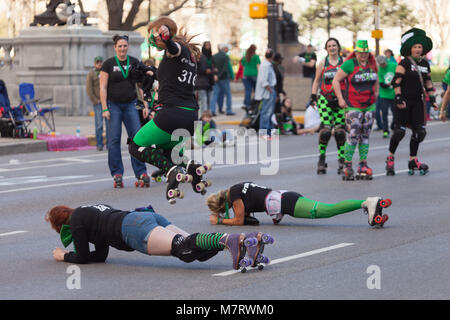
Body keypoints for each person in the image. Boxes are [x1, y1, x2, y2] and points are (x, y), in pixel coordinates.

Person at [127, 16, 212, 204]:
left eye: (152, 35)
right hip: (189, 117)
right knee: (169, 152)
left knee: (135, 145)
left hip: (171, 115)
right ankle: (193, 168)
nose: (151, 40)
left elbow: (174, 48)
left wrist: (165, 37)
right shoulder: (190, 59)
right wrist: (149, 74)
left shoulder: (177, 50)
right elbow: (170, 81)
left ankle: (171, 171)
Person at [45, 203, 272, 270]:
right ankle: (247, 241)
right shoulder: (88, 210)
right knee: (194, 249)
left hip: (132, 231)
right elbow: (102, 254)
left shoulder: (75, 223)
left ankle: (226, 240)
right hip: (142, 217)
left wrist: (64, 256)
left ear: (60, 225)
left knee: (184, 249)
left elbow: (83, 257)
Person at [207, 182, 391, 227]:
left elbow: (238, 220)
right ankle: (374, 211)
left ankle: (367, 202)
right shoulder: (239, 187)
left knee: (328, 210)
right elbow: (261, 197)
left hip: (287, 202)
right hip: (286, 198)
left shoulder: (235, 194)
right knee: (327, 210)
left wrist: (221, 221)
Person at [385, 28, 438, 176]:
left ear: (423, 49)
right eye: (415, 47)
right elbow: (396, 81)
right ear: (410, 49)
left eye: (420, 47)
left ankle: (413, 160)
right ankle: (390, 157)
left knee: (419, 132)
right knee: (399, 132)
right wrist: (398, 97)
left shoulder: (425, 64)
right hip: (404, 101)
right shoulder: (405, 63)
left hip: (418, 102)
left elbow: (428, 82)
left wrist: (432, 99)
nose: (417, 49)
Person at [100, 35, 149, 188]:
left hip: (131, 104)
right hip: (113, 106)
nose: (122, 49)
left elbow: (141, 86)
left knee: (137, 138)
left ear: (128, 47)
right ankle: (117, 173)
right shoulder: (108, 64)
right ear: (115, 47)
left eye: (125, 46)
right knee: (114, 140)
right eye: (120, 46)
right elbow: (102, 87)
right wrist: (104, 108)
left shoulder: (134, 62)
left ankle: (141, 172)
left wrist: (146, 105)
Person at [332, 40, 378, 181]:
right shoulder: (349, 64)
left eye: (365, 52)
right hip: (353, 105)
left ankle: (363, 165)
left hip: (370, 105)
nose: (363, 55)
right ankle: (347, 165)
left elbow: (376, 81)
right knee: (353, 135)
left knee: (365, 135)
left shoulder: (372, 64)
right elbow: (335, 81)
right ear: (356, 52)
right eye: (360, 52)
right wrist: (340, 99)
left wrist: (376, 94)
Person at [310, 38, 346, 175]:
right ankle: (321, 158)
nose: (332, 48)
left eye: (334, 45)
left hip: (341, 99)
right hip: (325, 99)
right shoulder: (322, 63)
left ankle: (342, 160)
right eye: (329, 46)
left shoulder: (344, 63)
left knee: (340, 132)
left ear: (338, 47)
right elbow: (317, 80)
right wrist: (313, 96)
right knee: (325, 131)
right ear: (326, 49)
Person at [255, 48, 277, 138]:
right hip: (268, 91)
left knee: (269, 112)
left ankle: (268, 131)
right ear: (272, 56)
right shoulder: (266, 65)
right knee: (266, 112)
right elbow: (263, 81)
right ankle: (264, 132)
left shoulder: (266, 64)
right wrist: (269, 88)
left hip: (269, 90)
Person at [86, 56, 107, 151]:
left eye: (101, 62)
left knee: (109, 124)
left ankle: (109, 143)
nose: (99, 64)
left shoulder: (106, 72)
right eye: (97, 62)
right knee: (99, 124)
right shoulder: (91, 73)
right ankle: (99, 143)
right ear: (95, 64)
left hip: (106, 102)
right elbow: (89, 89)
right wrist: (95, 100)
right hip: (98, 102)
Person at [210, 44, 234, 116]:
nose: (228, 50)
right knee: (228, 94)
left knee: (215, 94)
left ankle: (213, 110)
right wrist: (220, 76)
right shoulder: (226, 56)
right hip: (224, 78)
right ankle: (229, 110)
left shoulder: (214, 56)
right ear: (225, 49)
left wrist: (215, 76)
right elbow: (225, 68)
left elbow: (212, 67)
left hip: (216, 78)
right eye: (227, 49)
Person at [376, 55, 397, 138]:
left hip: (394, 93)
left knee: (395, 112)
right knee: (384, 113)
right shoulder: (380, 70)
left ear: (386, 61)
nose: (383, 65)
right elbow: (382, 84)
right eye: (381, 64)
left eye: (384, 63)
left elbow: (399, 75)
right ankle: (385, 130)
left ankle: (393, 125)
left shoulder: (393, 65)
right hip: (384, 94)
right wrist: (388, 84)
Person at [195, 41, 215, 113]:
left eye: (209, 45)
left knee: (208, 103)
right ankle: (199, 123)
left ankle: (206, 121)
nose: (208, 47)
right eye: (206, 45)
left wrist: (213, 71)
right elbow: (198, 69)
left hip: (209, 82)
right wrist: (205, 70)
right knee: (202, 103)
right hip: (201, 83)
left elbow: (212, 67)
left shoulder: (211, 57)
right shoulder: (200, 57)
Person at [241, 44, 261, 109]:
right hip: (254, 75)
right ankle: (256, 103)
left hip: (246, 75)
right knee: (256, 90)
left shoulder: (245, 57)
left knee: (248, 90)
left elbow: (243, 65)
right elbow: (258, 66)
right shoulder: (256, 57)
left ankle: (247, 104)